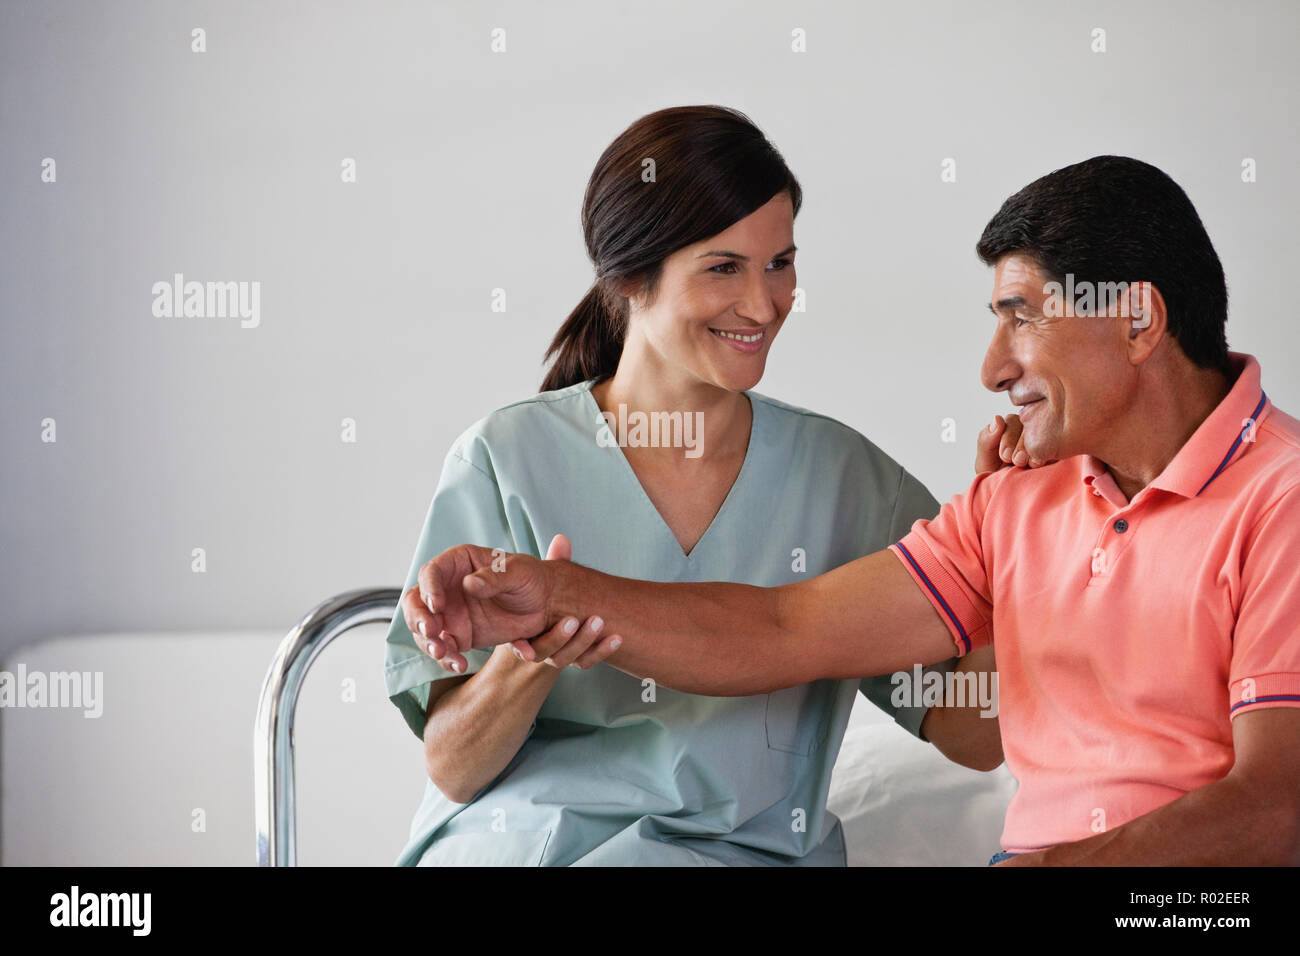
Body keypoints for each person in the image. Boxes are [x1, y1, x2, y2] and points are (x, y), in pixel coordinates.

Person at [416, 155, 1300, 866]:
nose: (992, 368)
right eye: (722, 266)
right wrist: (559, 592)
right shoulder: (1019, 495)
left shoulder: (1281, 497)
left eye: (1022, 318)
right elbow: (779, 629)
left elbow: (1278, 805)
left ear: (1139, 321)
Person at [384, 105, 1007, 867]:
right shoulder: (507, 459)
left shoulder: (848, 485)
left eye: (779, 263)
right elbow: (452, 767)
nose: (762, 303)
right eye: (724, 267)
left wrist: (1011, 541)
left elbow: (973, 733)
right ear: (629, 278)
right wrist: (534, 649)